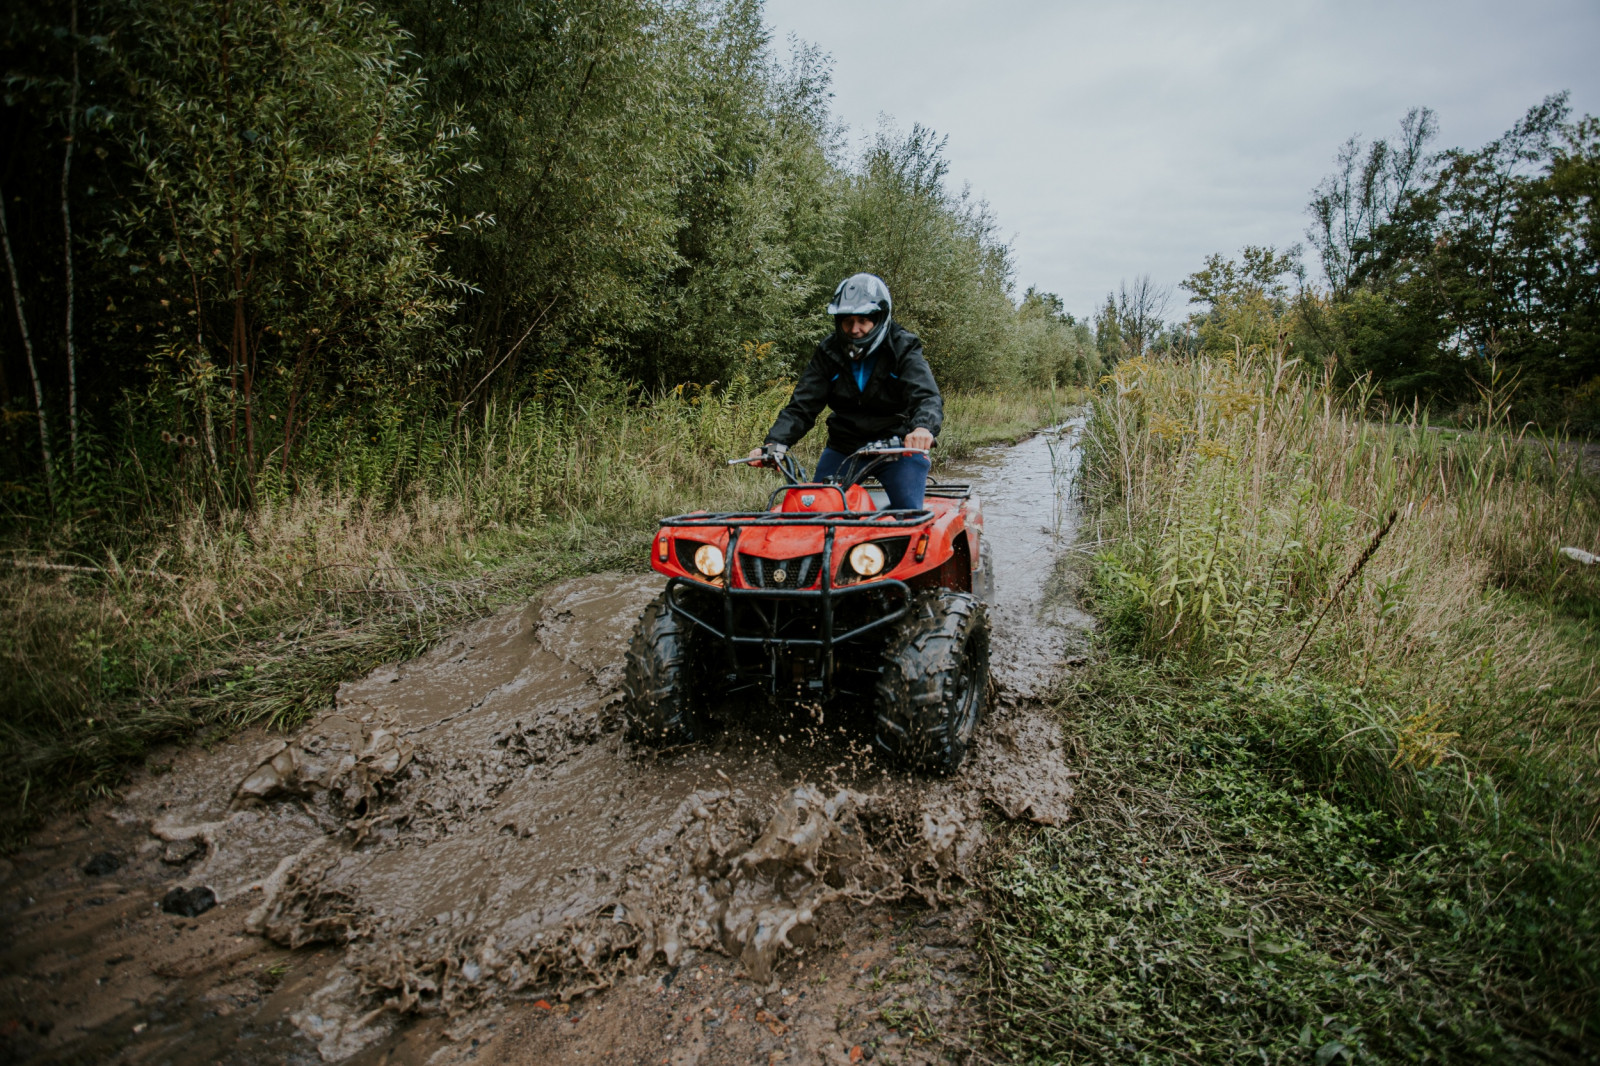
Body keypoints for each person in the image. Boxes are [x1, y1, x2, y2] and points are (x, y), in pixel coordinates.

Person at [748, 273, 943, 511]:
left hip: (897, 447)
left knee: (909, 515)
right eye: (847, 321)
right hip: (845, 447)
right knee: (816, 511)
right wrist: (776, 443)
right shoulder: (828, 352)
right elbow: (802, 406)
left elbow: (926, 396)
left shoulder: (903, 347)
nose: (854, 329)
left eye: (863, 320)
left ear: (879, 319)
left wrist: (923, 428)